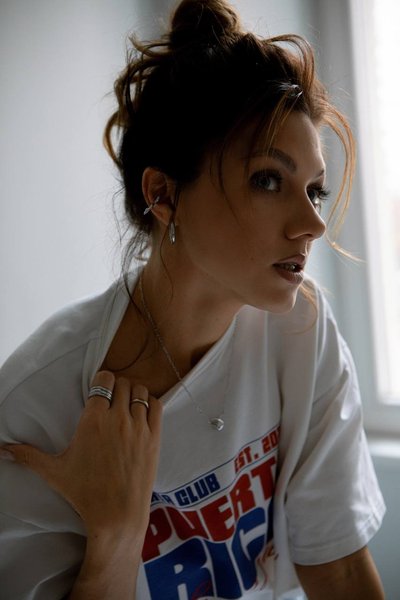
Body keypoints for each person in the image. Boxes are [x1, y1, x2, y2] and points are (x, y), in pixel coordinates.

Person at [0, 0, 386, 598]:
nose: (313, 224)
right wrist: (116, 535)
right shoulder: (37, 410)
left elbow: (337, 569)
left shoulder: (300, 332)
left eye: (314, 190)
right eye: (268, 180)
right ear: (163, 195)